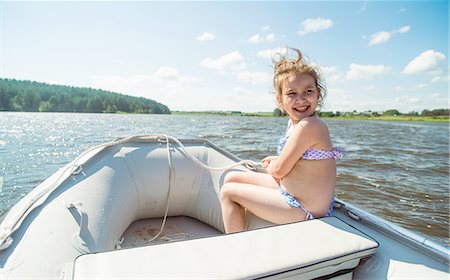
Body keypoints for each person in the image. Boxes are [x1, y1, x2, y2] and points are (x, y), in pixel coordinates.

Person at [220, 48, 343, 233]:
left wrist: (273, 165)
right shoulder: (296, 123)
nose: (300, 100)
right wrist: (277, 159)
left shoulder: (309, 126)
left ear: (318, 94)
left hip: (303, 208)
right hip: (292, 192)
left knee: (228, 192)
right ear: (280, 99)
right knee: (231, 177)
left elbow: (279, 171)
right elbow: (299, 159)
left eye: (308, 91)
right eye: (292, 94)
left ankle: (235, 244)